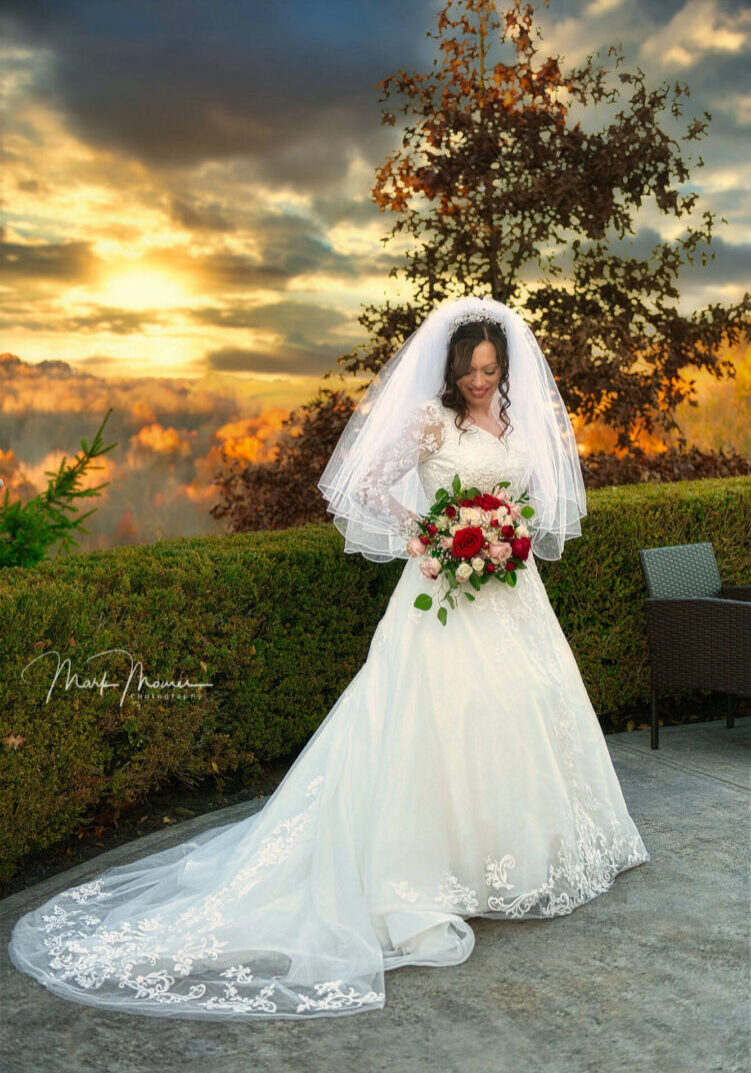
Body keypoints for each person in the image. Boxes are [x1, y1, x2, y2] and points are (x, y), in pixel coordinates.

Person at [8, 295, 650, 1021]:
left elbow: (531, 497)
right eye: (469, 369)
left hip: (510, 589)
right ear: (450, 369)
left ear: (502, 369)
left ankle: (510, 859)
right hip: (440, 588)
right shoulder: (428, 420)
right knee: (433, 715)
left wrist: (505, 528)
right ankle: (425, 868)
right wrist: (435, 527)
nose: (478, 380)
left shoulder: (512, 420)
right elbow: (369, 484)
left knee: (518, 706)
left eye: (488, 369)